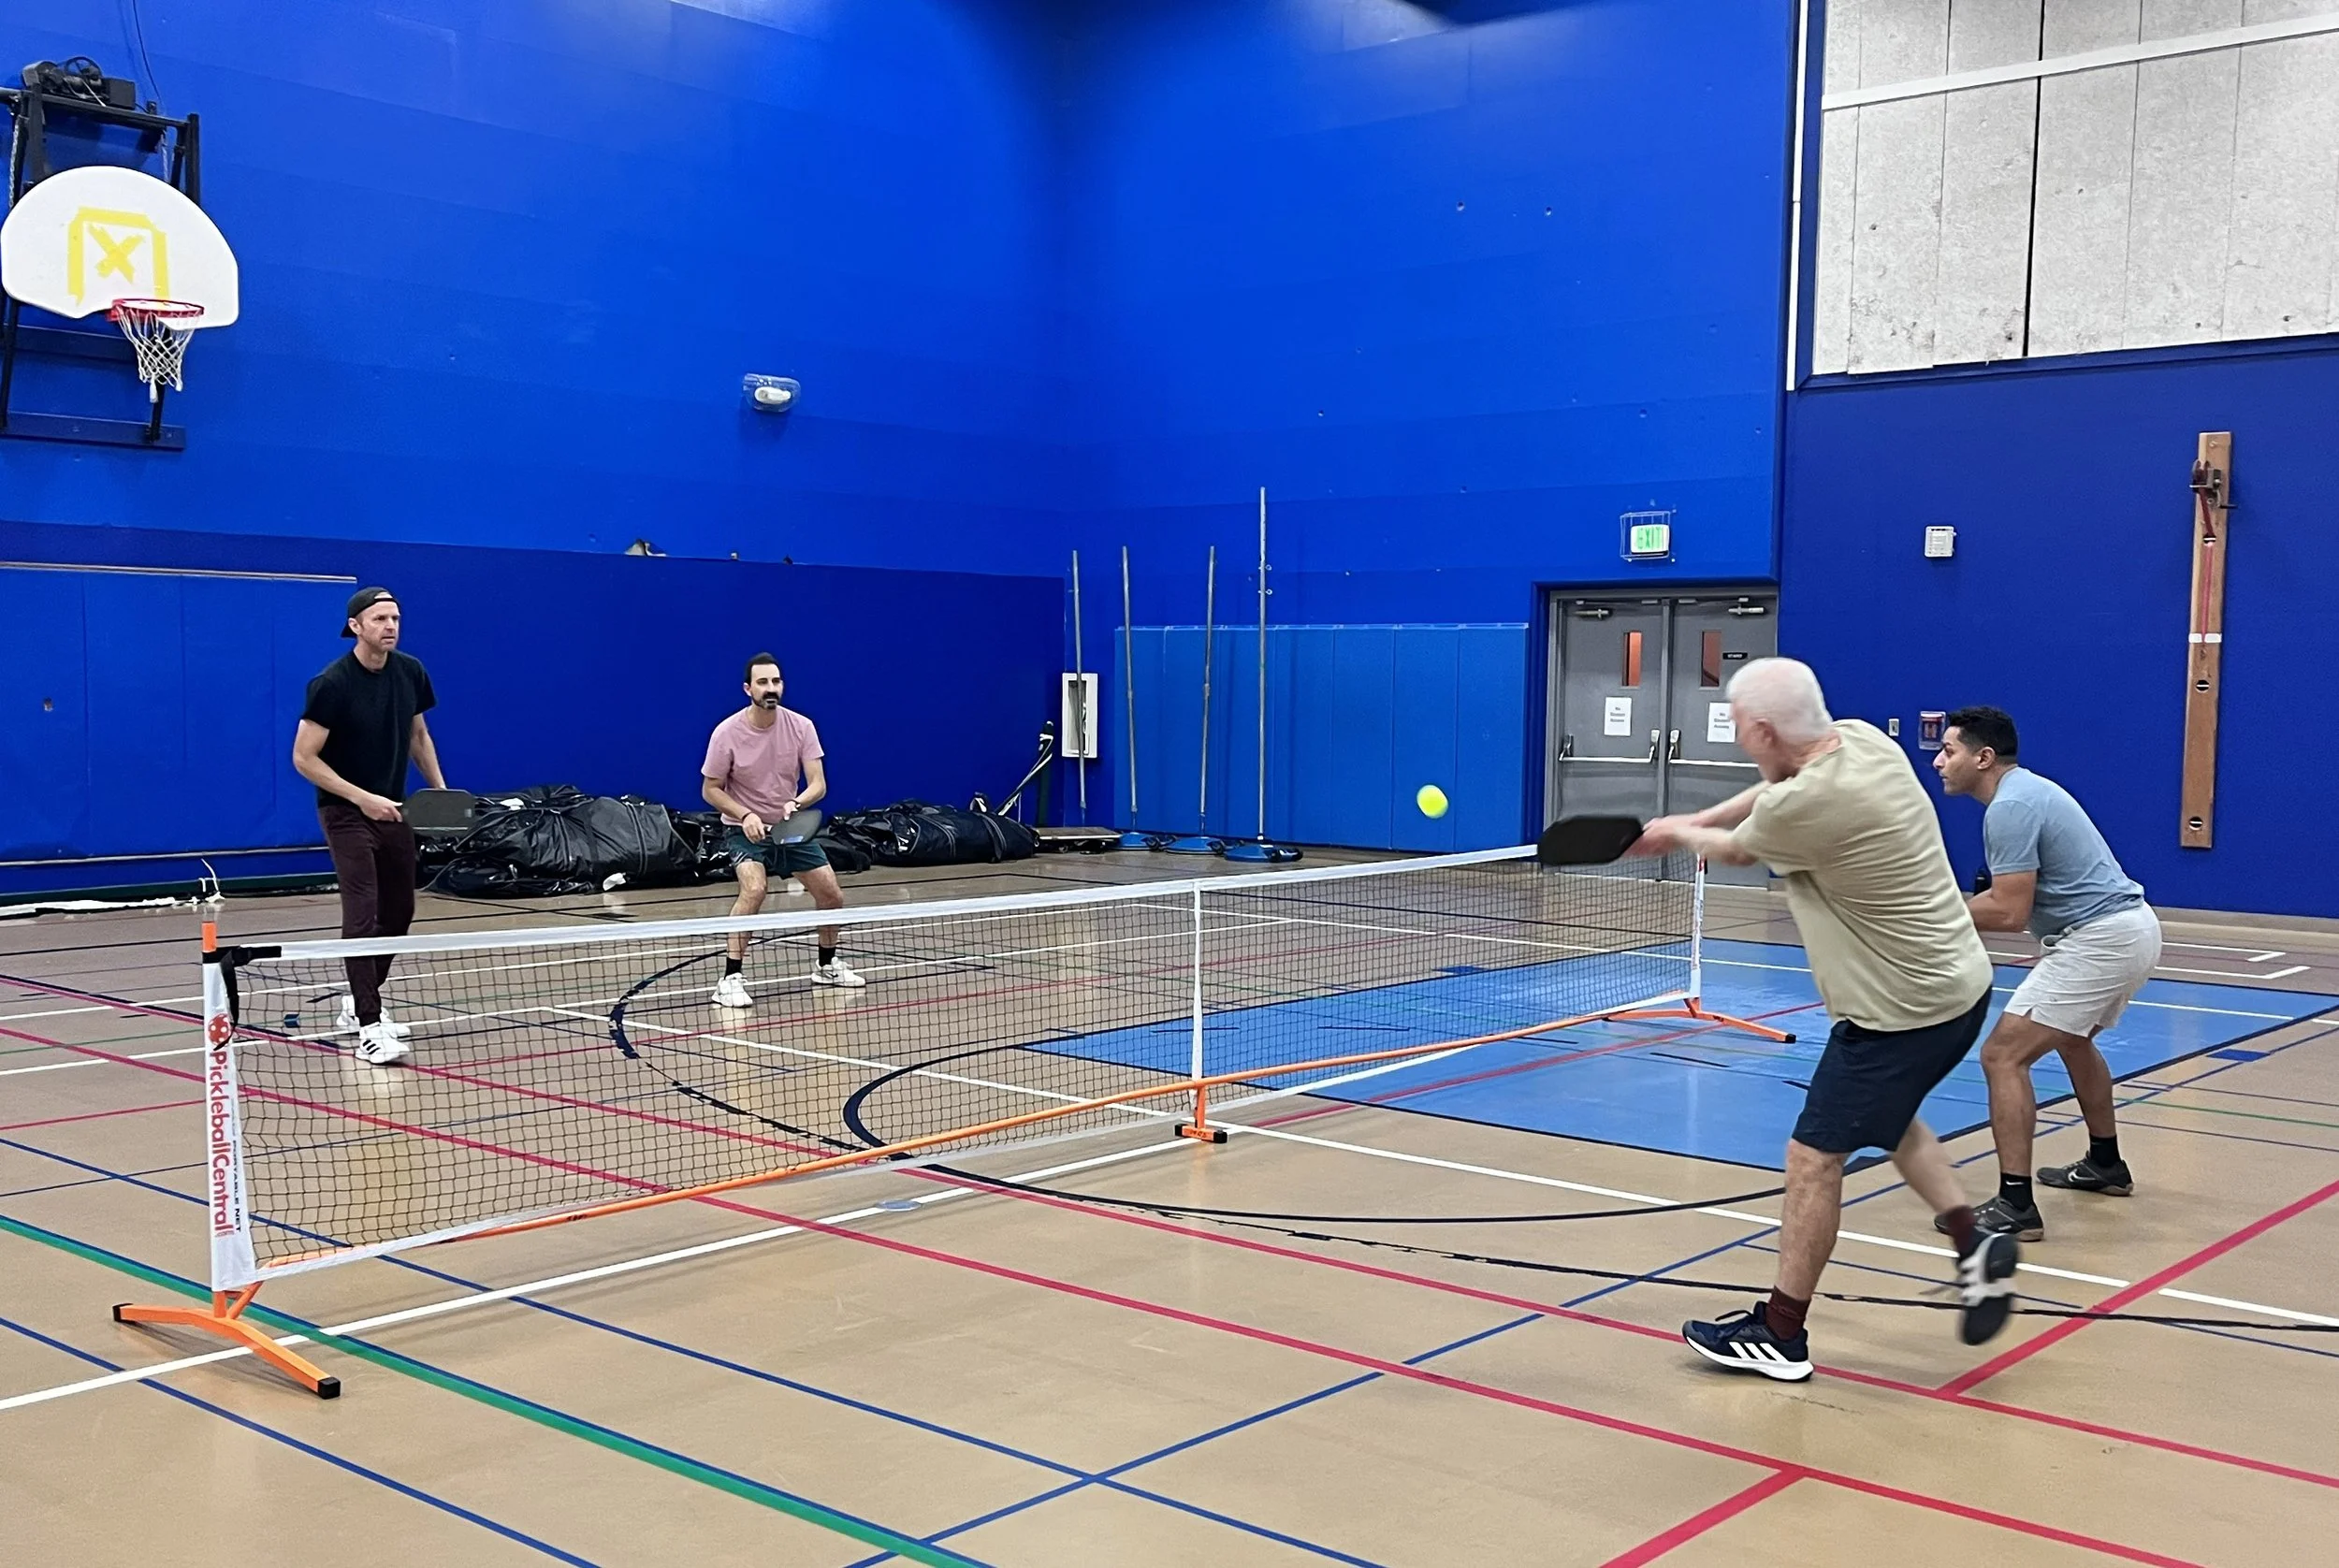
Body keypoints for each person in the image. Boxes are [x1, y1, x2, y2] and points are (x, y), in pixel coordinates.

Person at [1631, 658, 2015, 1381]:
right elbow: (1775, 791)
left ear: (1764, 731)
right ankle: (1973, 1240)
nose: (1739, 738)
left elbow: (1741, 848)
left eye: (1740, 726)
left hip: (1898, 1012)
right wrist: (1699, 817)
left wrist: (1679, 834)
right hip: (1960, 989)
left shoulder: (1806, 807)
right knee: (1890, 1118)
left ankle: (1781, 1333)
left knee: (1813, 1160)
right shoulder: (1864, 741)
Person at [1932, 706, 2160, 1241]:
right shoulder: (2024, 793)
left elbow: (2009, 911)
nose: (1939, 762)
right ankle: (2106, 1163)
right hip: (2130, 930)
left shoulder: (2010, 806)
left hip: (2102, 940)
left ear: (1984, 758)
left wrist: (1927, 914)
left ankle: (2015, 1205)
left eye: (1949, 751)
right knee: (2073, 1040)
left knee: (2002, 1056)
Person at [292, 587, 446, 1067]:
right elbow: (304, 758)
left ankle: (357, 1001)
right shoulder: (331, 684)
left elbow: (418, 735)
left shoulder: (410, 672)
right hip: (345, 812)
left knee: (399, 913)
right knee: (361, 913)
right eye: (379, 618)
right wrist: (362, 798)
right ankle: (369, 1026)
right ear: (355, 626)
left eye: (395, 617)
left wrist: (440, 793)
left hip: (394, 809)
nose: (390, 626)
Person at [701, 653, 862, 1006]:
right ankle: (729, 979)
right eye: (762, 682)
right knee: (754, 889)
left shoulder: (802, 726)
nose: (770, 688)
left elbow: (818, 783)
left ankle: (826, 965)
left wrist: (797, 803)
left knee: (832, 895)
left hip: (789, 828)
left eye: (775, 681)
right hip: (745, 830)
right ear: (748, 689)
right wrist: (745, 814)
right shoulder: (726, 733)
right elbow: (710, 789)